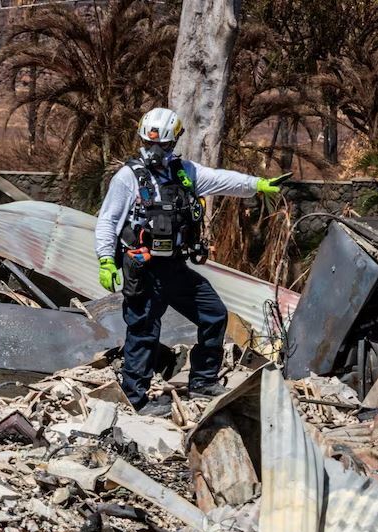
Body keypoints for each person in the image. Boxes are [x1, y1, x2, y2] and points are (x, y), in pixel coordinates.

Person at [95, 107, 287, 414]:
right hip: (144, 270)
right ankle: (136, 398)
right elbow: (108, 220)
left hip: (175, 268)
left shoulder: (185, 173)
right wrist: (106, 259)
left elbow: (223, 180)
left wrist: (259, 185)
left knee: (214, 314)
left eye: (161, 145)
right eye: (148, 144)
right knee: (143, 331)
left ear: (173, 144)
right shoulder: (128, 177)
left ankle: (203, 381)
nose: (154, 151)